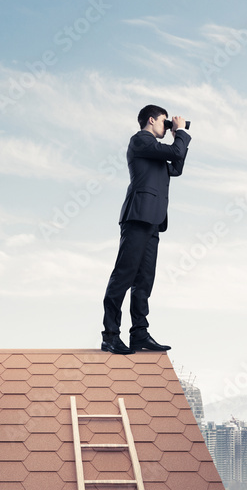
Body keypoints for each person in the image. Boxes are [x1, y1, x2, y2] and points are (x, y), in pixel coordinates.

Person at [100, 104, 190, 354]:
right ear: (151, 120)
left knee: (144, 280)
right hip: (138, 217)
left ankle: (139, 333)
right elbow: (174, 151)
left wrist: (178, 136)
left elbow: (177, 166)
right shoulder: (141, 140)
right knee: (123, 276)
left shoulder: (156, 153)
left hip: (153, 220)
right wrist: (180, 133)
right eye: (165, 121)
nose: (167, 126)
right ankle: (110, 335)